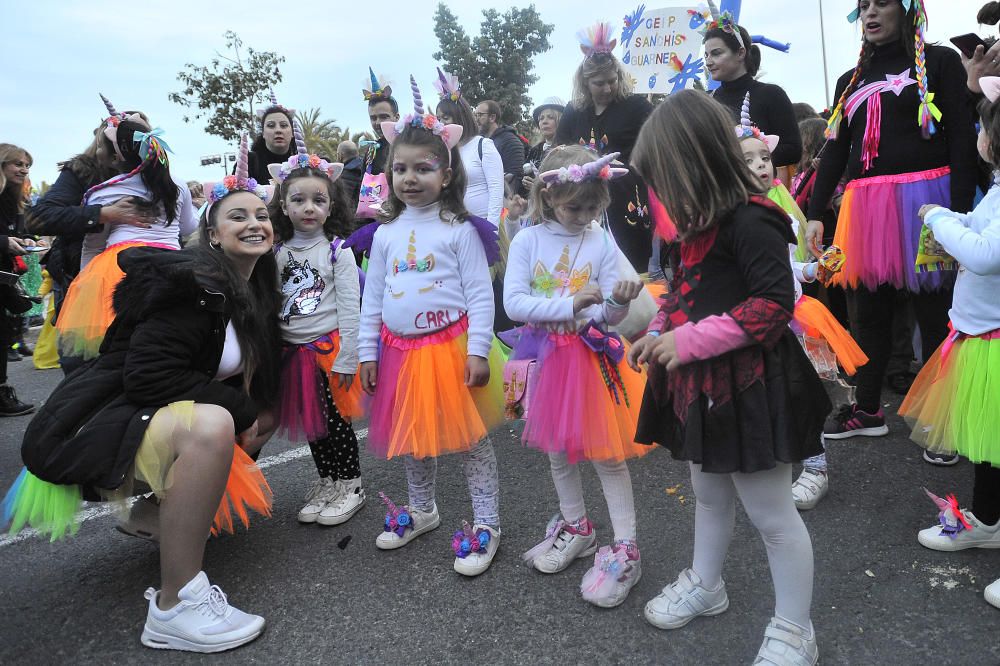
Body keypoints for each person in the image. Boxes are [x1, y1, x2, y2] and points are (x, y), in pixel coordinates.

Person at [2, 133, 281, 652]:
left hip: (146, 418)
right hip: (100, 423)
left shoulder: (251, 292)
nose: (254, 224)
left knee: (261, 414)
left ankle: (148, 512)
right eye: (237, 216)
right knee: (218, 422)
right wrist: (240, 411)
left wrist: (259, 408)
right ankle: (175, 606)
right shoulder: (191, 284)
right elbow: (148, 377)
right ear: (212, 235)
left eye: (261, 215)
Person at [629, 90, 830, 664]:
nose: (660, 195)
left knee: (772, 515)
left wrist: (684, 340)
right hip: (703, 387)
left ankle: (796, 628)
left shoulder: (754, 219)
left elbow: (772, 307)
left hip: (750, 387)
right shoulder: (696, 225)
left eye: (664, 178)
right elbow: (683, 294)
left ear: (697, 161)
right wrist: (659, 327)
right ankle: (707, 584)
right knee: (708, 492)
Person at [804, 0, 978, 457]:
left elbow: (961, 137)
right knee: (868, 311)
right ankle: (867, 409)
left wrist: (959, 212)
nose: (870, 14)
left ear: (907, 10)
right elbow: (835, 152)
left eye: (881, 4)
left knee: (935, 313)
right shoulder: (850, 80)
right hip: (866, 210)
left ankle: (947, 421)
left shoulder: (938, 63)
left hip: (929, 203)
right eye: (863, 7)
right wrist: (816, 212)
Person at [354, 77, 505, 577]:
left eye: (424, 168)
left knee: (468, 441)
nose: (410, 178)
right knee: (413, 437)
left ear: (447, 173)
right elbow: (372, 297)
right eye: (400, 168)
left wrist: (478, 350)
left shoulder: (459, 228)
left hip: (451, 349)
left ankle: (488, 523)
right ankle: (423, 511)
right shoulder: (386, 233)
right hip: (400, 353)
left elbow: (480, 294)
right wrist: (367, 352)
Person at [503, 146, 649, 608]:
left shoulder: (600, 240)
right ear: (548, 198)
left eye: (592, 207)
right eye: (574, 207)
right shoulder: (527, 241)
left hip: (588, 359)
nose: (583, 216)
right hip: (545, 356)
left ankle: (626, 546)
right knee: (557, 449)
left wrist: (620, 301)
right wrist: (568, 305)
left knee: (608, 453)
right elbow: (514, 304)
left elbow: (607, 314)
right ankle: (576, 526)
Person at [901, 75, 1000, 609]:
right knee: (990, 447)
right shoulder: (999, 190)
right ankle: (988, 521)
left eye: (982, 125)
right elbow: (981, 227)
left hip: (995, 343)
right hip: (982, 337)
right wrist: (954, 219)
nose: (977, 135)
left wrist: (940, 217)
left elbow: (986, 254)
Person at [737, 110, 869, 512]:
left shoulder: (779, 210)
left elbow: (786, 266)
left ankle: (816, 469)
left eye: (764, 157)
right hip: (751, 322)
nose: (761, 164)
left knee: (803, 395)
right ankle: (773, 465)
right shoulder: (731, 218)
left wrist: (813, 268)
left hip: (793, 316)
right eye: (748, 160)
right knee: (762, 396)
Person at [266, 129, 366, 526]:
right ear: (284, 205)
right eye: (299, 199)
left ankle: (351, 483)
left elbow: (349, 306)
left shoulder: (337, 251)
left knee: (337, 425)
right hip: (294, 354)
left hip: (329, 351)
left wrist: (349, 356)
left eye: (318, 200)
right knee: (313, 425)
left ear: (330, 205)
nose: (309, 207)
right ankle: (327, 480)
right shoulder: (276, 251)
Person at [26, 95, 154, 374]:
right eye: (127, 137)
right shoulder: (82, 171)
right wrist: (102, 214)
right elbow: (37, 217)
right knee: (83, 365)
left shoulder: (157, 177)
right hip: (84, 278)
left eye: (143, 136)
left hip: (141, 281)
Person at [55, 121, 195, 361]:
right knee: (169, 337)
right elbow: (189, 227)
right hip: (172, 264)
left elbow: (93, 245)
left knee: (118, 348)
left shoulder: (103, 192)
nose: (97, 150)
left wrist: (85, 286)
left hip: (117, 268)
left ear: (114, 158)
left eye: (101, 146)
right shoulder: (178, 185)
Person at [556, 22, 654, 272]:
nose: (607, 88)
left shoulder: (637, 107)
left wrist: (634, 163)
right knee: (584, 269)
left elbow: (657, 148)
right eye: (599, 83)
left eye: (612, 80)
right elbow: (558, 153)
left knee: (631, 272)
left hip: (627, 202)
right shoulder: (573, 111)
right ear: (585, 82)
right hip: (582, 205)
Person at [703, 13, 802, 174]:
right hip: (719, 196)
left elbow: (793, 149)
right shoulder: (706, 101)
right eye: (706, 55)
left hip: (762, 194)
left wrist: (746, 161)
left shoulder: (771, 94)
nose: (708, 62)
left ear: (741, 53)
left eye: (716, 53)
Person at [435, 69, 504, 226]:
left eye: (446, 118)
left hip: (484, 224)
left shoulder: (483, 145)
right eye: (438, 119)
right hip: (454, 227)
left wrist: (491, 229)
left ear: (460, 117)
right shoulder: (444, 152)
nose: (441, 123)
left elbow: (496, 190)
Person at [0, 143, 38, 416]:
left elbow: (15, 232)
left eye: (27, 165)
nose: (24, 170)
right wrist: (4, 241)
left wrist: (25, 239)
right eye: (18, 164)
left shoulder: (13, 198)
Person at [244, 89, 295, 184]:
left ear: (292, 132)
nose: (278, 130)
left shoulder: (303, 163)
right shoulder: (248, 161)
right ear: (263, 133)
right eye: (271, 126)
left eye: (284, 125)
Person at [474, 99, 526, 190]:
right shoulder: (479, 142)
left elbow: (514, 177)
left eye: (480, 115)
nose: (476, 119)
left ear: (492, 118)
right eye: (475, 115)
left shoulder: (511, 142)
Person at [362, 68, 398, 180]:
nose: (378, 123)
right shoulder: (371, 152)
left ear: (396, 117)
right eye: (373, 118)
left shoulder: (410, 144)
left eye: (384, 117)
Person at [523, 97, 565, 192]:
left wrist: (538, 187)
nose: (544, 121)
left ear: (561, 121)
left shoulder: (568, 150)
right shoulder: (534, 150)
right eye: (541, 118)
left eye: (550, 117)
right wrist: (526, 181)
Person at [337, 140, 364, 214]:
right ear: (357, 153)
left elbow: (344, 201)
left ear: (341, 155)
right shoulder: (366, 167)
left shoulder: (346, 172)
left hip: (355, 218)